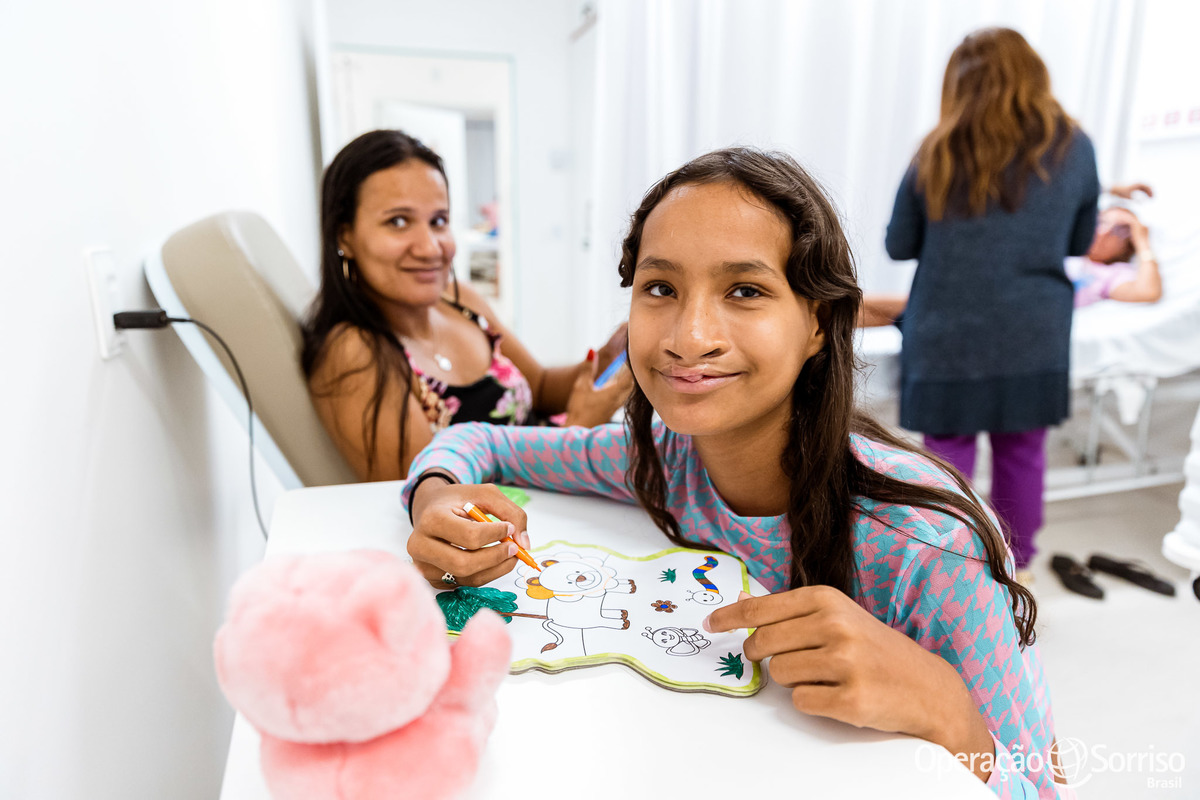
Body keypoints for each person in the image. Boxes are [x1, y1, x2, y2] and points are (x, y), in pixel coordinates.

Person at [401, 147, 1059, 796]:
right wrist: (435, 499)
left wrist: (943, 706)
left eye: (745, 290)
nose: (690, 336)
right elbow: (478, 444)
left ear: (817, 323)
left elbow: (1039, 787)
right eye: (660, 288)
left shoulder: (931, 549)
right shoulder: (658, 461)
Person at [883, 28, 1101, 582]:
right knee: (1023, 451)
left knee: (946, 453)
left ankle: (951, 569)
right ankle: (1017, 568)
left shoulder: (937, 150)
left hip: (948, 329)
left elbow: (898, 245)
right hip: (1033, 330)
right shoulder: (1074, 147)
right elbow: (1079, 243)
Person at [301, 130, 632, 480]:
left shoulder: (458, 301)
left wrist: (606, 361)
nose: (430, 247)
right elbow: (430, 504)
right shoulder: (354, 355)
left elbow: (541, 388)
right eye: (398, 222)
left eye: (438, 221)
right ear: (344, 236)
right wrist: (577, 434)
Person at [860, 199, 1162, 324]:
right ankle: (831, 320)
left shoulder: (1113, 275)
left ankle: (830, 318)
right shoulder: (1067, 251)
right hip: (998, 294)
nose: (1105, 232)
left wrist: (1142, 237)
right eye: (1102, 221)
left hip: (1016, 312)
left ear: (1130, 243)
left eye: (1120, 231)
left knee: (910, 307)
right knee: (908, 309)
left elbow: (1148, 293)